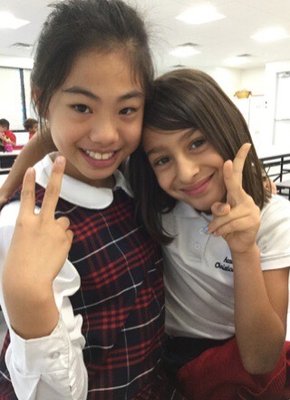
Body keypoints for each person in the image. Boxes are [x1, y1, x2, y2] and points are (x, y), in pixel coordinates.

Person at [0, 0, 174, 399]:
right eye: (82, 106)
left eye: (127, 109)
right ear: (42, 100)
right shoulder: (28, 224)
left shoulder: (130, 176)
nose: (107, 135)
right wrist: (29, 301)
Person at [128, 69, 290, 399]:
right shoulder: (161, 206)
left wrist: (244, 251)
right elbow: (90, 138)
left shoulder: (273, 218)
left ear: (226, 127)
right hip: (163, 360)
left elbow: (261, 359)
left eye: (197, 142)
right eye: (162, 159)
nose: (187, 172)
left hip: (231, 365)